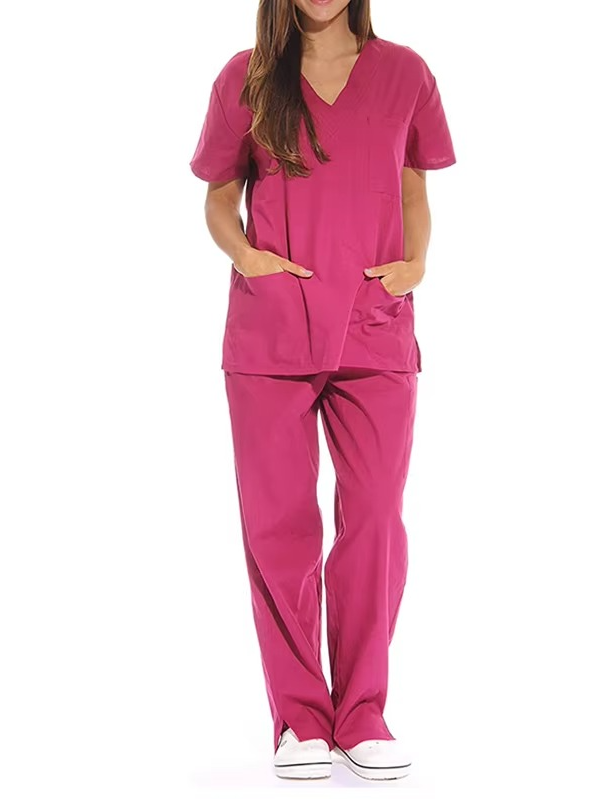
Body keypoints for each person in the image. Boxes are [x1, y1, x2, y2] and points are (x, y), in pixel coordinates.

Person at [189, 0, 456, 782]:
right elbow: (217, 197)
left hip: (374, 323)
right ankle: (300, 717)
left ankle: (362, 712)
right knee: (279, 527)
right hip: (272, 329)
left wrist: (416, 264)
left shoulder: (405, 74)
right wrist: (248, 257)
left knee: (374, 517)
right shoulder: (245, 78)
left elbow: (413, 185)